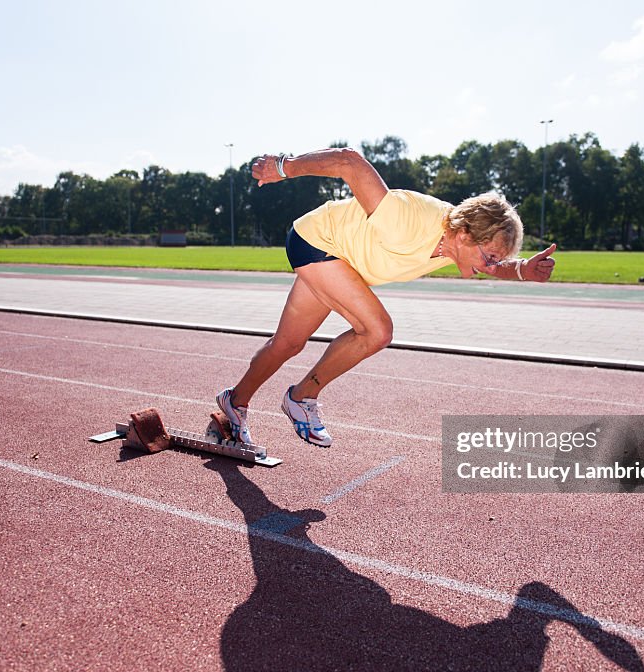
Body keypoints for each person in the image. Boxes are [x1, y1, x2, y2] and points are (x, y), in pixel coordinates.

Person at [216, 147, 557, 447]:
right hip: (318, 243)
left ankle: (235, 401)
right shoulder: (407, 221)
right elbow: (349, 161)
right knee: (377, 331)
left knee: (288, 344)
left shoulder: (454, 243)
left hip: (338, 256)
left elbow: (492, 265)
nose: (490, 266)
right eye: (490, 257)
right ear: (466, 234)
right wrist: (282, 166)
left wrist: (521, 269)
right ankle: (301, 397)